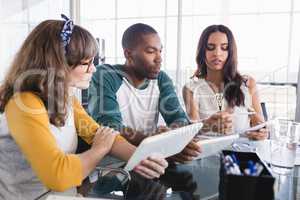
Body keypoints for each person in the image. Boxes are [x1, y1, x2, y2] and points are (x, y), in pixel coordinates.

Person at [0, 16, 168, 200]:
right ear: (57, 65)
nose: (94, 69)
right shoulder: (23, 104)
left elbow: (101, 134)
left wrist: (138, 157)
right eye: (86, 63)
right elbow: (59, 175)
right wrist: (98, 150)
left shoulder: (67, 99)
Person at [88, 23, 232, 163]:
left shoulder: (161, 79)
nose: (159, 58)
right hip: (109, 164)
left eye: (160, 51)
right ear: (129, 54)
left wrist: (202, 126)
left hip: (150, 160)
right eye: (151, 51)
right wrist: (158, 141)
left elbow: (178, 119)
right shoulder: (106, 75)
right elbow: (110, 126)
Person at [183, 24, 267, 140]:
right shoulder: (191, 89)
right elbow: (190, 134)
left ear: (231, 52)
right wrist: (207, 126)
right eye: (210, 47)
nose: (217, 53)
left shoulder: (248, 84)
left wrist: (262, 133)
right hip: (208, 154)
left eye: (224, 47)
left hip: (241, 154)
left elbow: (261, 127)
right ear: (202, 52)